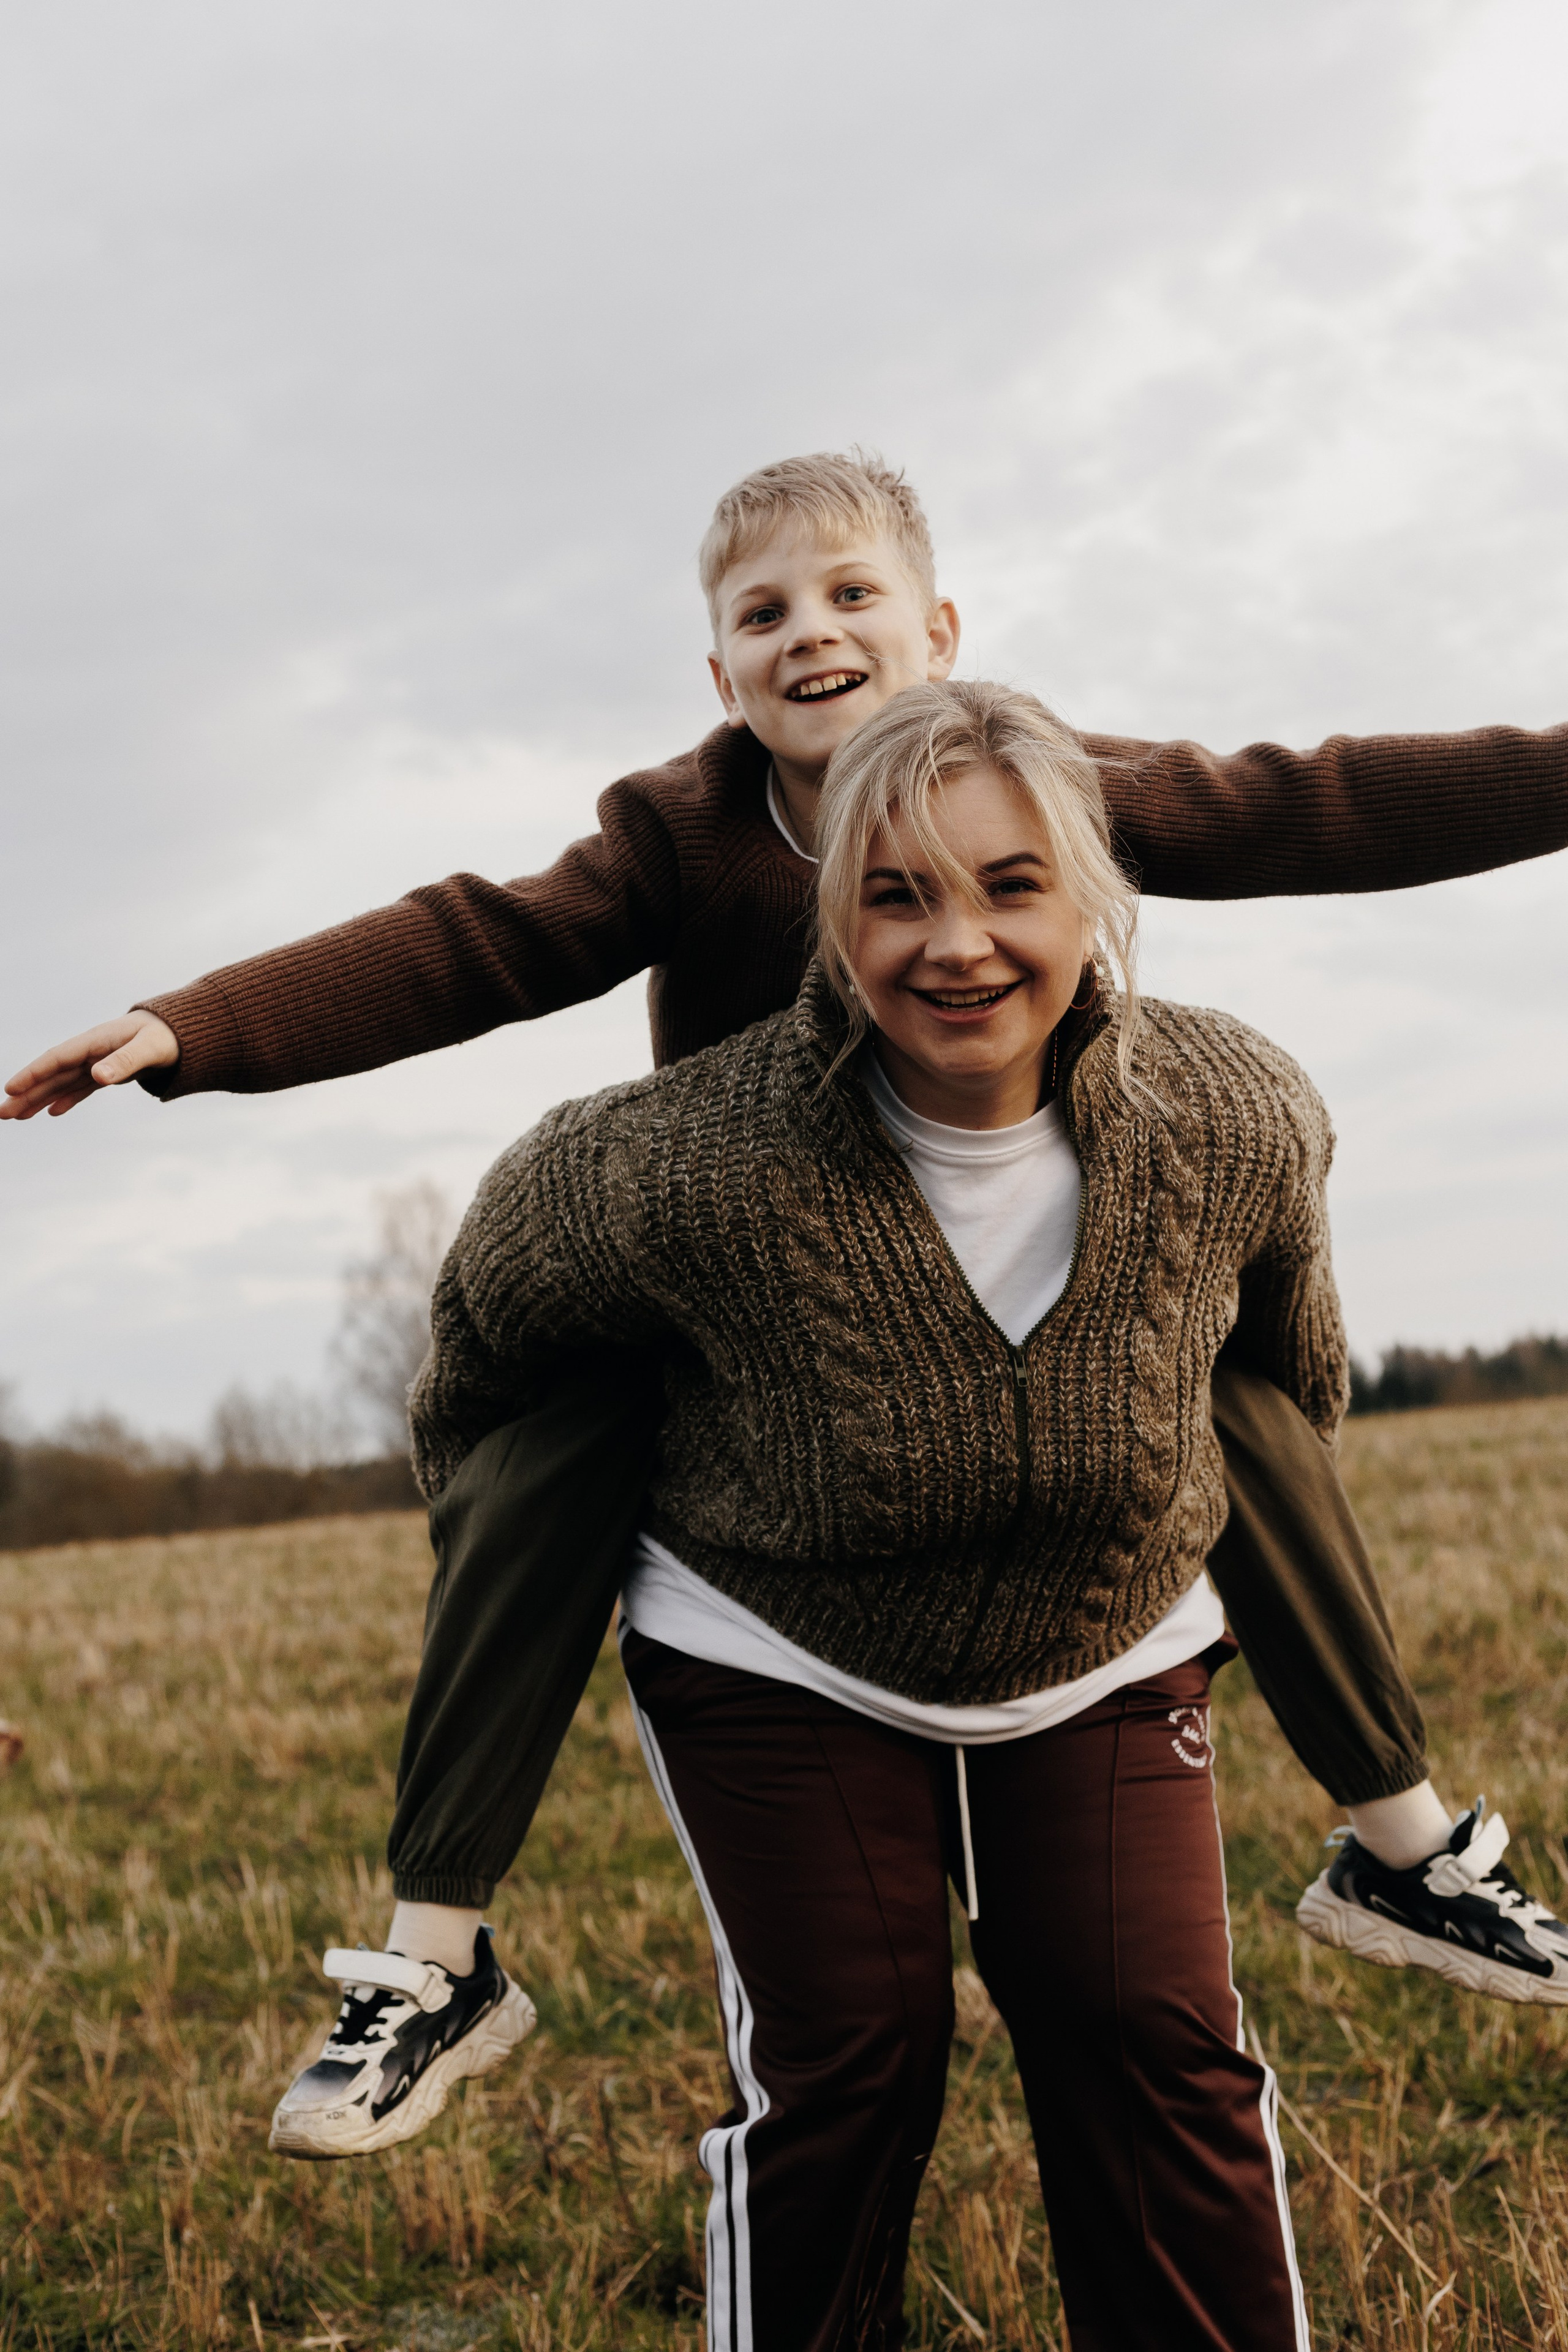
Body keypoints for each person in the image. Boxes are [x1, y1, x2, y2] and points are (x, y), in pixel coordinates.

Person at [8, 456, 1568, 2165]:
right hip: (759, 1309)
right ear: (721, 673)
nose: (809, 634)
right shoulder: (684, 829)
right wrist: (199, 1029)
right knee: (556, 1441)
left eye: (848, 596)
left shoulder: (1038, 778)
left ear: (940, 630)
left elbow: (1313, 801)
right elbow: (482, 940)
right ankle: (436, 1950)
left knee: (1218, 1387)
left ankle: (1406, 1846)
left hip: (1027, 1254)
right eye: (763, 614)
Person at [400, 676, 1478, 2350]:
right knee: (858, 2056)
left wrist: (1155, 1528)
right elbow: (485, 1357)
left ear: (1093, 902)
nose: (956, 943)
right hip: (776, 1637)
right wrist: (522, 1551)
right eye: (897, 896)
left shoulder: (1239, 1113)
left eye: (1009, 885)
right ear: (832, 921)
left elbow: (1285, 1376)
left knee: (1153, 2041)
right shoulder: (661, 1169)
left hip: (1099, 1646)